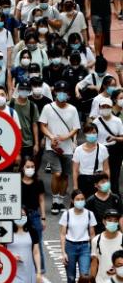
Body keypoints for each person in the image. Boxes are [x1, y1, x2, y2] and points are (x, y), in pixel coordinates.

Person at [39, 80, 81, 214]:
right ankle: (54, 200)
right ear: (55, 92)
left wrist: (66, 137)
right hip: (52, 147)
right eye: (59, 92)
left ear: (68, 94)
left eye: (65, 92)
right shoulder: (48, 108)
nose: (62, 94)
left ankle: (60, 202)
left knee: (65, 175)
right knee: (56, 174)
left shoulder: (72, 109)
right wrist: (52, 137)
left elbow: (76, 128)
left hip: (67, 147)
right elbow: (42, 125)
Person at [60, 190, 97, 283]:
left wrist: (93, 251)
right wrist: (63, 252)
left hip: (84, 247)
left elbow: (92, 234)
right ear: (72, 200)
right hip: (70, 246)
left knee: (84, 274)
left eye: (82, 199)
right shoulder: (67, 214)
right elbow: (63, 234)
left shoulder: (89, 214)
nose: (80, 201)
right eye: (78, 199)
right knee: (71, 277)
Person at [72, 123, 110, 199]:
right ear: (85, 134)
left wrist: (107, 185)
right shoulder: (78, 150)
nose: (91, 135)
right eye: (89, 133)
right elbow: (75, 170)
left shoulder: (103, 149)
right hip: (83, 180)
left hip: (97, 180)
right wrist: (76, 187)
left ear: (97, 134)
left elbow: (106, 169)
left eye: (94, 133)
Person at [90, 210, 123, 283]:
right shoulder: (96, 240)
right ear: (104, 221)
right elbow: (94, 264)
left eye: (115, 221)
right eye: (109, 220)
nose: (113, 223)